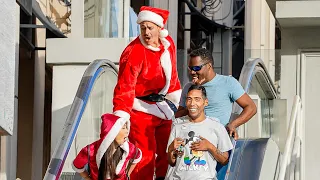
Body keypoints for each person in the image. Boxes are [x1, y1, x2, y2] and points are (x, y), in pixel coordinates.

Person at [109, 6, 181, 180]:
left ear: (159, 28)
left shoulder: (168, 43)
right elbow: (124, 87)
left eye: (150, 28)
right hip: (139, 108)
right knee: (145, 154)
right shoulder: (133, 52)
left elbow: (173, 76)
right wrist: (121, 118)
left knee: (167, 148)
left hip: (163, 105)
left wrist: (175, 100)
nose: (146, 32)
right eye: (143, 28)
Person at [175, 48, 257, 140]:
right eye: (190, 68)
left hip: (217, 141)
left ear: (209, 66)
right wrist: (195, 91)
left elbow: (251, 107)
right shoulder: (188, 87)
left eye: (196, 68)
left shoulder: (228, 83)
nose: (192, 72)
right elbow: (178, 115)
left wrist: (233, 124)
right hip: (192, 139)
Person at [166, 85, 233, 180]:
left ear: (205, 102)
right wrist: (171, 149)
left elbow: (225, 160)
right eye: (189, 99)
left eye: (197, 99)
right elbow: (172, 162)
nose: (192, 103)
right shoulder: (177, 126)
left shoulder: (217, 126)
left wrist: (210, 147)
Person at [72, 113, 142, 180]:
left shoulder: (129, 148)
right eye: (123, 128)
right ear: (112, 132)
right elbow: (77, 165)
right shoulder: (91, 150)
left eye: (126, 128)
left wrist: (127, 174)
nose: (127, 131)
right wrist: (87, 178)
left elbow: (137, 156)